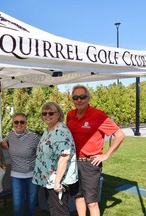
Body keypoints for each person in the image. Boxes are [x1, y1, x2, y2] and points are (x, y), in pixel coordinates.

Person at [66, 84, 125, 216]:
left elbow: (120, 135)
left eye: (82, 97)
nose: (79, 100)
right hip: (73, 162)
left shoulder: (98, 115)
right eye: (75, 97)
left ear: (88, 98)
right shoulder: (70, 115)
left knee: (91, 201)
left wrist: (106, 155)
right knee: (78, 196)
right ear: (72, 99)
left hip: (90, 163)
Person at [32, 102, 78, 216]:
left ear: (58, 114)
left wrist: (57, 182)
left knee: (60, 211)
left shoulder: (61, 131)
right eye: (44, 113)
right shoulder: (49, 130)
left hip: (58, 180)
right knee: (53, 208)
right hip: (50, 179)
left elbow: (64, 157)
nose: (47, 115)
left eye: (51, 113)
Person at [1, 112, 40, 216]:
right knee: (17, 205)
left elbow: (41, 153)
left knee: (31, 204)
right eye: (16, 122)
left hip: (32, 175)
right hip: (16, 176)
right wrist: (3, 142)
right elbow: (3, 142)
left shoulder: (34, 137)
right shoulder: (10, 135)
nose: (19, 124)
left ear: (26, 123)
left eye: (22, 122)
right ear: (13, 123)